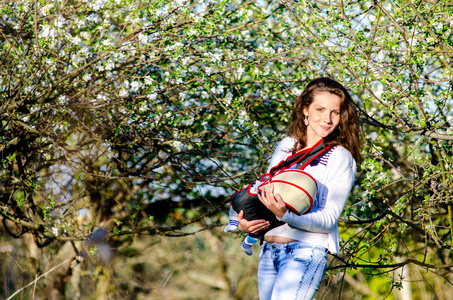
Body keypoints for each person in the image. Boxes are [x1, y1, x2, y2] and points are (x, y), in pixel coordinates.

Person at [236, 77, 362, 300]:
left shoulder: (340, 157)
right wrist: (242, 223)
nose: (328, 119)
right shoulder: (286, 146)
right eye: (320, 109)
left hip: (305, 253)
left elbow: (328, 218)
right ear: (305, 110)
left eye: (335, 112)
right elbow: (262, 190)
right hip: (268, 252)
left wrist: (285, 215)